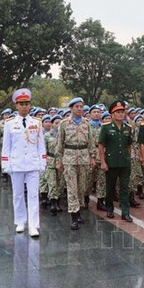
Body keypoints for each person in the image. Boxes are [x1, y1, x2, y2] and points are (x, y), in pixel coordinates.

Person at [1, 88, 47, 237]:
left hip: (33, 163)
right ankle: (20, 221)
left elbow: (41, 145)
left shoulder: (37, 122)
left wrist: (42, 162)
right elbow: (6, 146)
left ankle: (34, 225)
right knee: (18, 195)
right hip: (17, 164)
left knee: (34, 195)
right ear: (16, 105)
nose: (25, 106)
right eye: (21, 103)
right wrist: (6, 164)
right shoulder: (9, 123)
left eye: (27, 103)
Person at [55, 97, 96, 230]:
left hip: (84, 158)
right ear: (71, 108)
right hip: (69, 159)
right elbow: (59, 143)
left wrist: (93, 157)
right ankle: (73, 215)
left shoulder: (87, 123)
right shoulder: (64, 123)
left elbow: (91, 141)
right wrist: (58, 160)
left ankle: (78, 211)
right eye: (77, 106)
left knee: (81, 187)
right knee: (72, 187)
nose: (79, 109)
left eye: (81, 106)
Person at [99, 101, 133, 222]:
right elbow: (101, 145)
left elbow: (129, 145)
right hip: (111, 162)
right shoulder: (106, 127)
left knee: (125, 188)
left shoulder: (128, 128)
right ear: (112, 114)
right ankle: (109, 208)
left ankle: (125, 212)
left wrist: (128, 158)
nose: (120, 114)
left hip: (124, 162)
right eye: (117, 112)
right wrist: (103, 162)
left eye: (122, 112)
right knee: (110, 187)